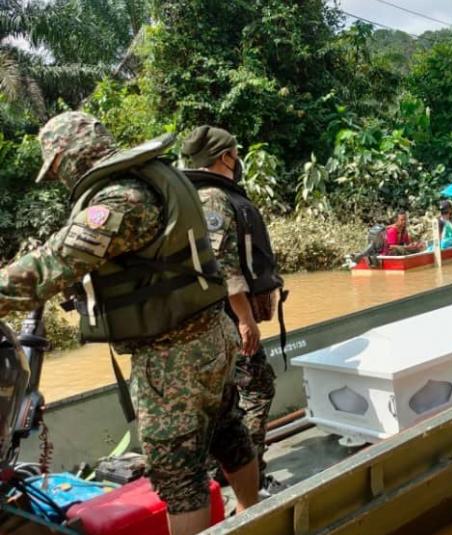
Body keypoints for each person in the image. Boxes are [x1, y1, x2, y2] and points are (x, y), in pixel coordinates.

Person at [0, 112, 258, 535]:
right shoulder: (152, 176)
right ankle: (253, 514)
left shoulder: (120, 199)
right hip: (212, 334)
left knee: (177, 472)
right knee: (226, 430)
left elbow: (52, 263)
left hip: (172, 355)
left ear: (70, 157)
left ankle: (245, 517)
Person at [181, 126, 285, 497]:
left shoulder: (201, 195)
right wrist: (244, 319)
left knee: (227, 398)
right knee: (257, 388)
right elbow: (223, 266)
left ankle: (224, 468)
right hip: (225, 318)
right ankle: (250, 473)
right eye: (236, 153)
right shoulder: (212, 199)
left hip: (215, 318)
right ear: (226, 156)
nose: (238, 159)